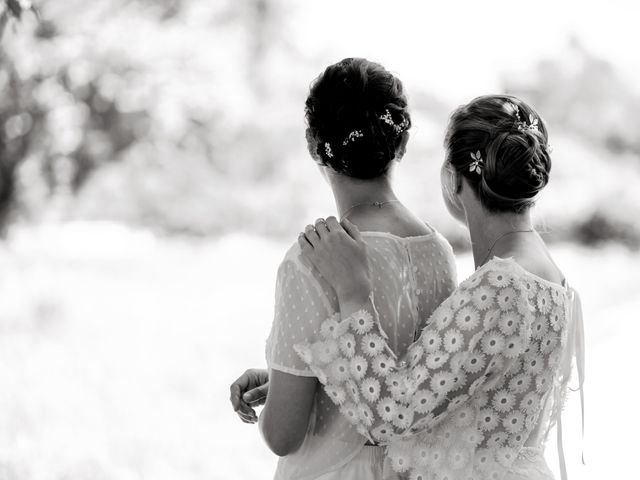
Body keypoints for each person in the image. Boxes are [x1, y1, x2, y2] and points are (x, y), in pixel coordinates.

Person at [294, 95, 585, 480]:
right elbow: (448, 387)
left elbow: (392, 415)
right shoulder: (548, 274)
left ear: (454, 178)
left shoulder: (504, 285)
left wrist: (353, 291)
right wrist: (302, 379)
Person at [230, 57, 458, 479]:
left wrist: (283, 397)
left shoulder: (312, 259)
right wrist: (291, 380)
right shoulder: (439, 252)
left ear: (314, 146)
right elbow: (407, 383)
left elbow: (284, 435)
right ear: (402, 145)